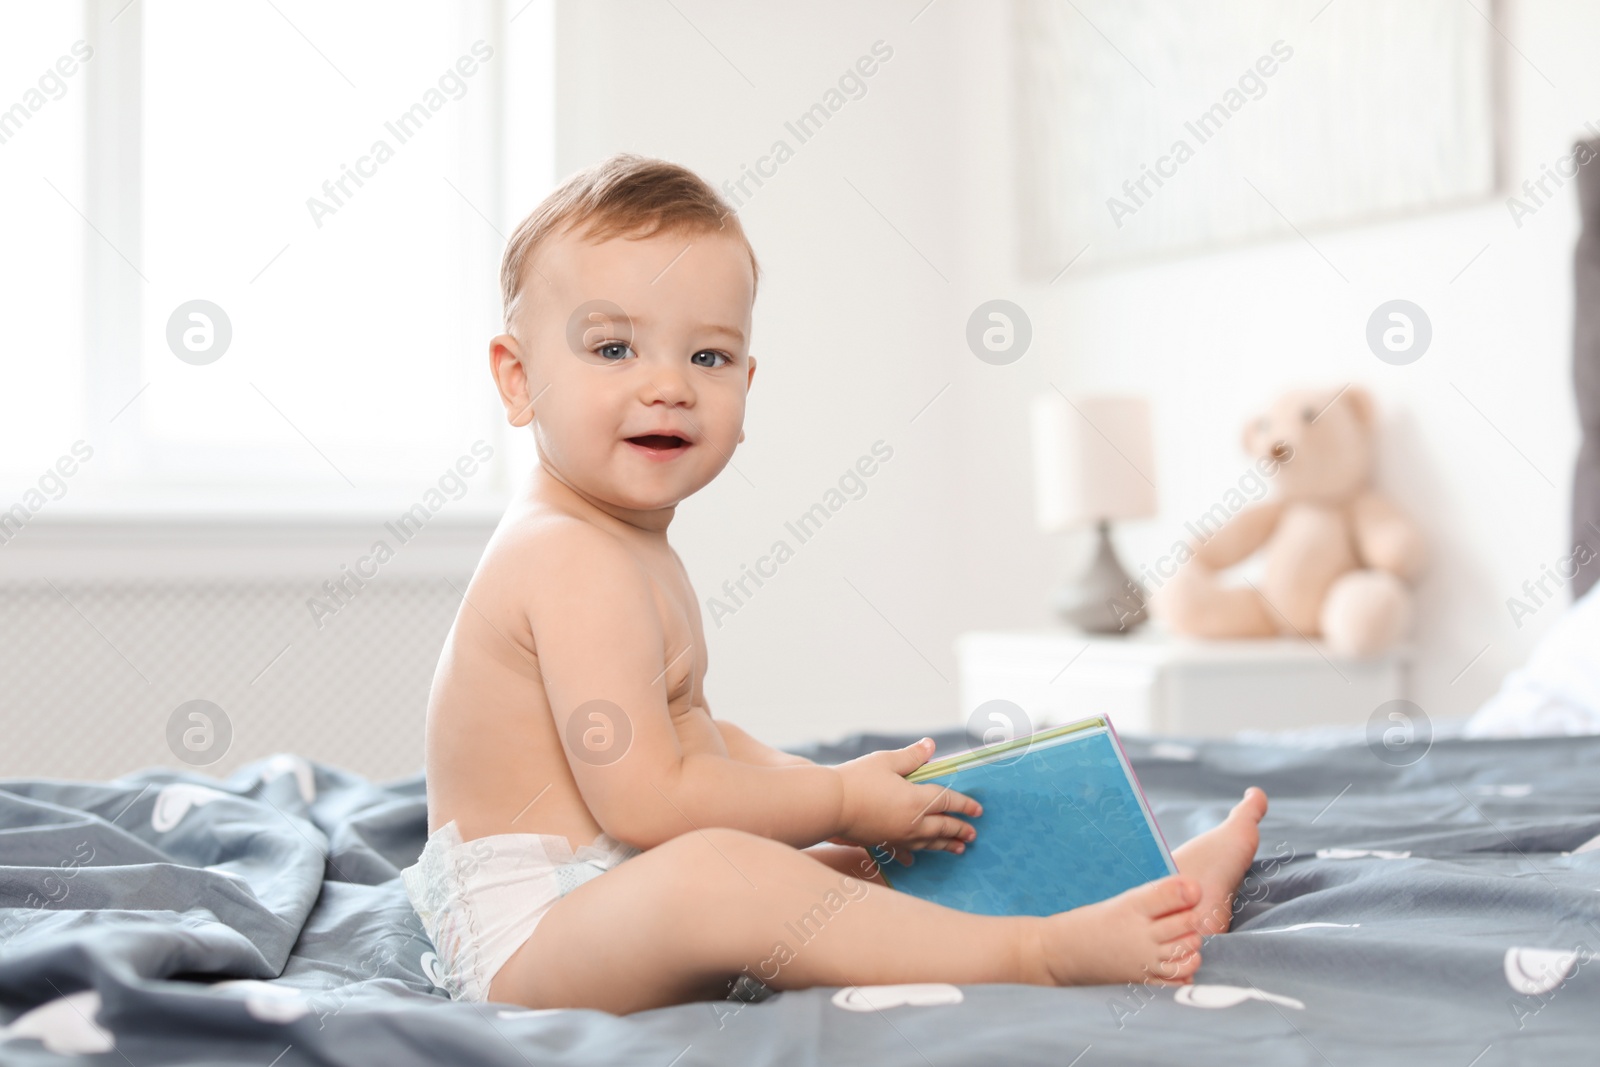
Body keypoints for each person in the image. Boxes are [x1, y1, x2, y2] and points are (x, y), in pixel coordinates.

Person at [401, 153, 1268, 1014]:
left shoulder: (623, 543)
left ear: (747, 381)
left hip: (607, 896)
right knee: (731, 877)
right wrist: (839, 800)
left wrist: (839, 791)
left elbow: (694, 736)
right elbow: (646, 800)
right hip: (530, 940)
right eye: (614, 347)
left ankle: (1154, 895)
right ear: (518, 379)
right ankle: (1037, 952)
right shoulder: (567, 558)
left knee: (873, 869)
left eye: (707, 355)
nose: (667, 385)